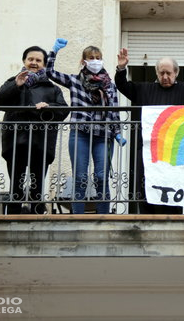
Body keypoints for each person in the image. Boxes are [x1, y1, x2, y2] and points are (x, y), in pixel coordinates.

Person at [115, 47, 184, 214]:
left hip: (174, 151)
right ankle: (146, 218)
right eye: (161, 73)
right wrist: (122, 68)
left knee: (173, 186)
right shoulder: (144, 89)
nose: (165, 77)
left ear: (176, 73)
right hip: (147, 149)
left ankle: (173, 219)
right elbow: (122, 85)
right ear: (157, 73)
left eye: (169, 73)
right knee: (146, 185)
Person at [46, 38, 126, 214]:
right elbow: (49, 72)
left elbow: (114, 110)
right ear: (84, 61)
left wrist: (118, 133)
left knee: (101, 177)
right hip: (80, 133)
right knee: (80, 177)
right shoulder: (74, 81)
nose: (95, 61)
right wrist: (54, 52)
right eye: (91, 58)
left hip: (103, 135)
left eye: (98, 57)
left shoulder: (109, 85)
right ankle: (78, 217)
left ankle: (104, 217)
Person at [0, 46, 69, 214]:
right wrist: (16, 85)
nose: (34, 63)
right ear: (24, 61)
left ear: (43, 64)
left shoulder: (52, 88)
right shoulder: (13, 81)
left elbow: (64, 110)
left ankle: (37, 216)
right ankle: (13, 216)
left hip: (40, 142)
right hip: (15, 141)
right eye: (30, 59)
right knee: (16, 185)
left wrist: (49, 107)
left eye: (38, 60)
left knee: (37, 186)